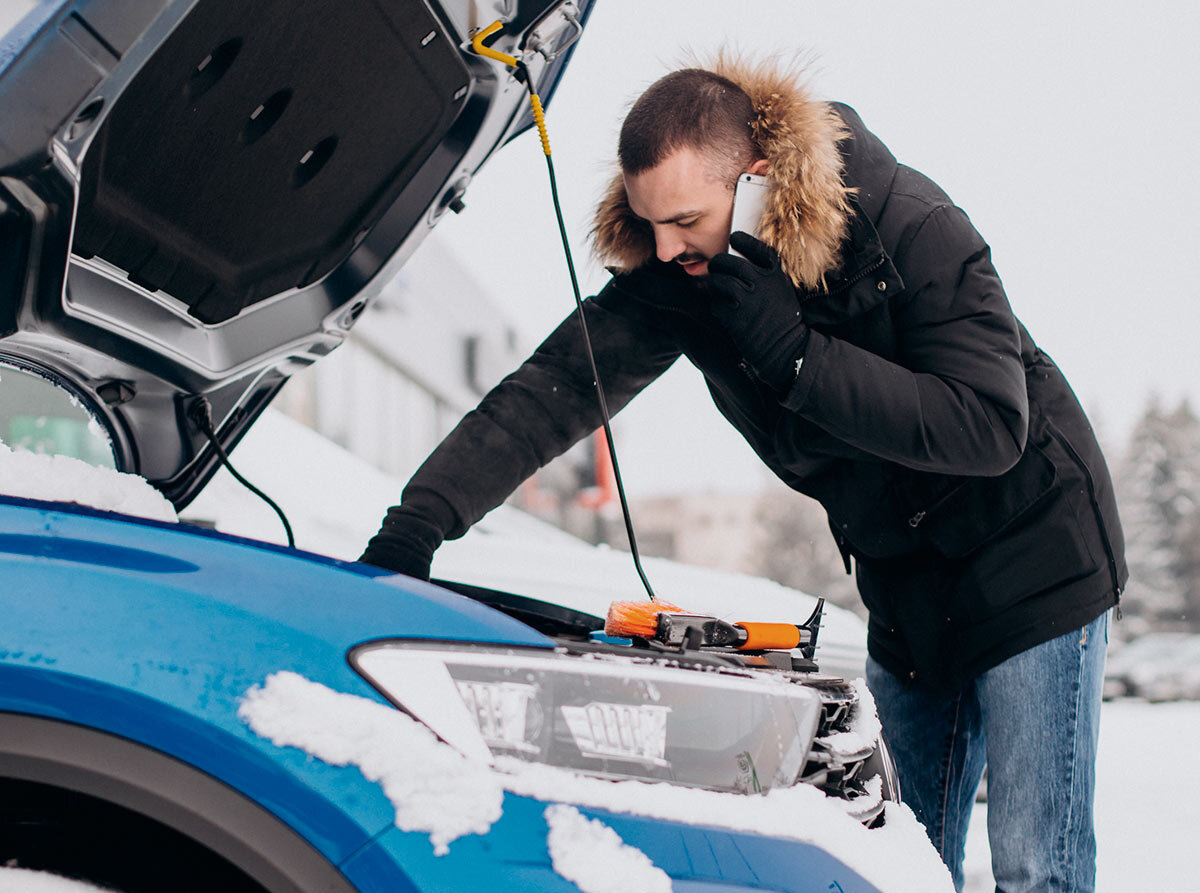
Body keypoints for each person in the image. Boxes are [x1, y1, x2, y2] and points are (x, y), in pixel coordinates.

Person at [361, 59, 1125, 892]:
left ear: (757, 181)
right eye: (649, 223)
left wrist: (798, 354)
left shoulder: (909, 224)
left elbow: (990, 424)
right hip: (908, 586)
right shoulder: (687, 275)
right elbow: (547, 397)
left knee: (1035, 869)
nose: (664, 247)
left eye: (684, 218)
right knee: (895, 866)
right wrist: (418, 521)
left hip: (1036, 553)